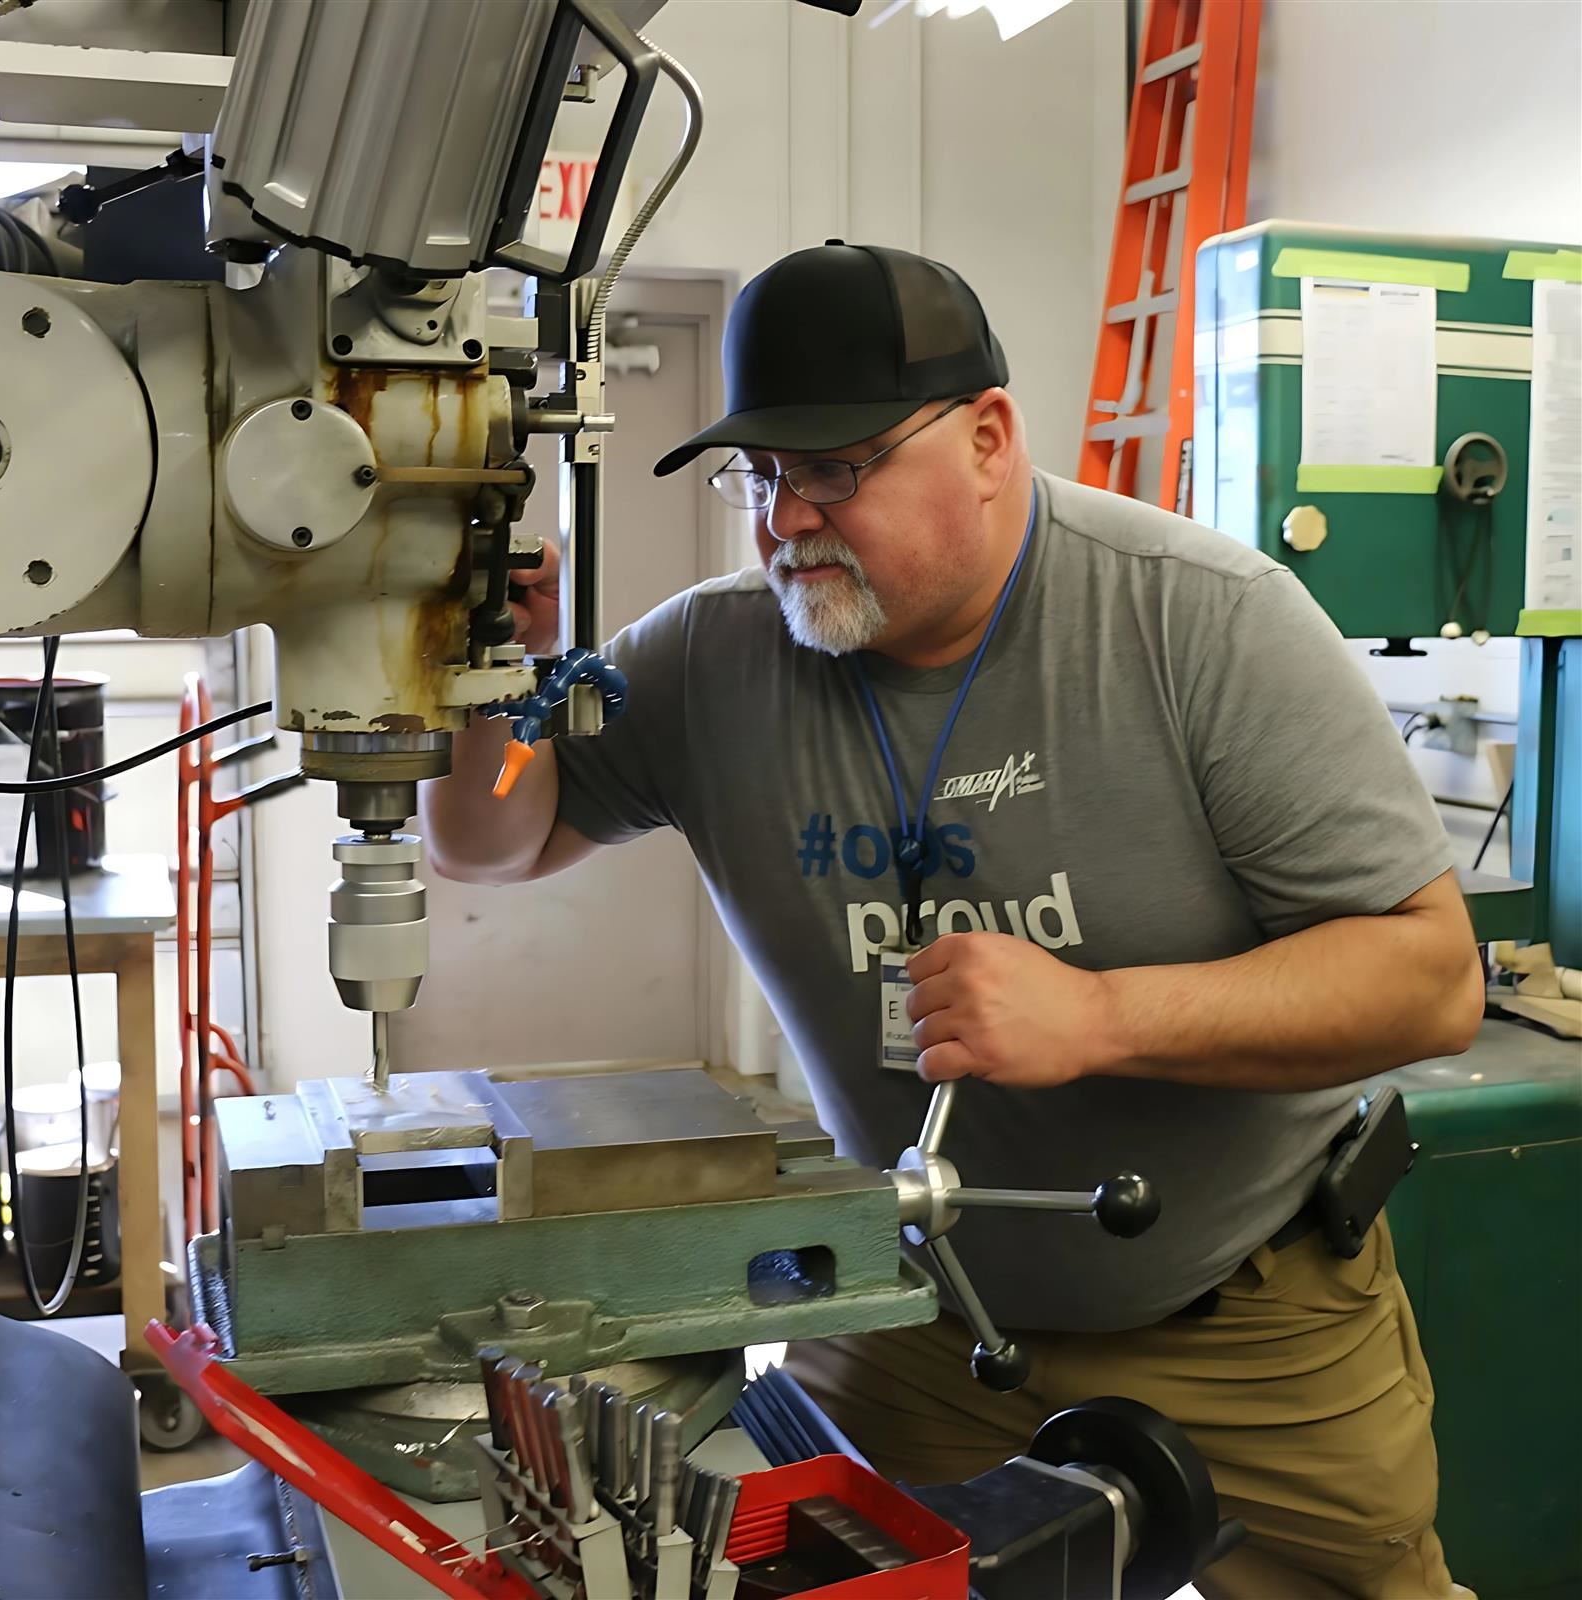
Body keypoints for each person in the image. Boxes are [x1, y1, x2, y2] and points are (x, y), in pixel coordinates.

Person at [426, 242, 1482, 1599]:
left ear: (988, 438)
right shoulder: (710, 658)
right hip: (916, 1315)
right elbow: (487, 835)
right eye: (762, 476)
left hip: (1245, 1319)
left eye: (835, 469)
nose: (786, 519)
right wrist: (490, 676)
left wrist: (1103, 1015)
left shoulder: (1203, 626)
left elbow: (1431, 982)